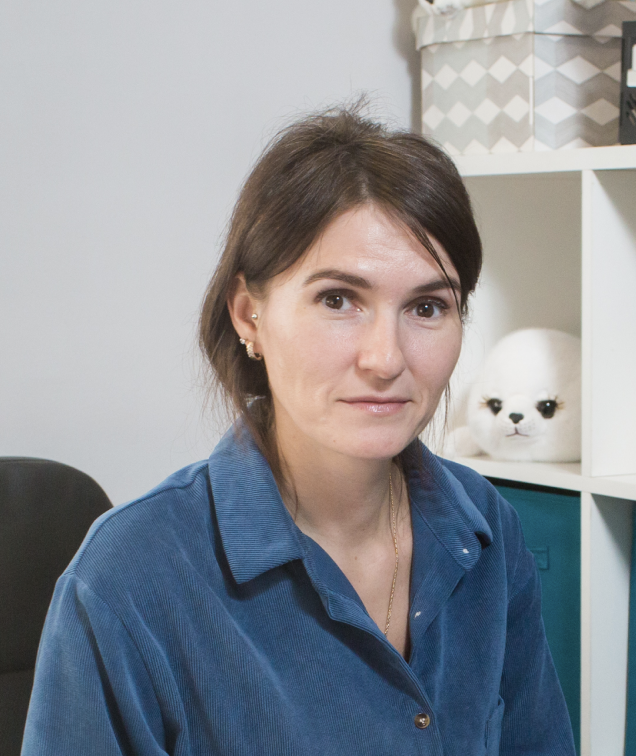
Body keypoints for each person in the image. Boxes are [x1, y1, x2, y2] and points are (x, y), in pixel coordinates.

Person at [22, 104, 576, 756]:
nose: (386, 359)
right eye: (338, 300)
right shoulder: (127, 577)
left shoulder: (484, 527)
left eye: (427, 307)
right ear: (248, 315)